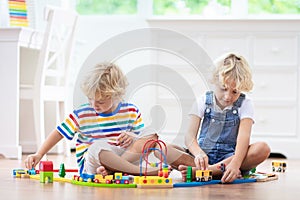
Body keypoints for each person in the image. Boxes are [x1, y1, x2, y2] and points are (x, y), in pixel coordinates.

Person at [24, 62, 161, 176]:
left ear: (117, 95)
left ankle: (113, 169)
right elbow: (59, 132)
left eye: (100, 101)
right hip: (96, 163)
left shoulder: (131, 111)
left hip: (124, 158)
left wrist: (132, 136)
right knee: (96, 148)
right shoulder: (82, 113)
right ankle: (141, 172)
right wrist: (39, 154)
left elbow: (139, 141)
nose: (94, 105)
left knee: (151, 133)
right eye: (90, 99)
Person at [176, 53, 271, 183]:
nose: (228, 97)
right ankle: (217, 170)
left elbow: (243, 138)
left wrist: (236, 163)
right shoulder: (203, 100)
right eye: (223, 89)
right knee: (164, 149)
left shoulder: (245, 103)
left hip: (230, 158)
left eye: (235, 92)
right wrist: (198, 154)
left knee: (262, 148)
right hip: (203, 157)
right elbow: (189, 137)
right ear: (214, 82)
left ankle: (210, 172)